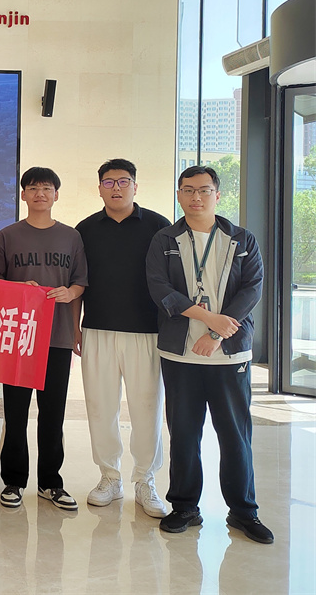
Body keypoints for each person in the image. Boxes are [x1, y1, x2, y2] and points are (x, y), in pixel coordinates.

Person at [146, 165, 273, 544]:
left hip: (229, 354)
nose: (196, 197)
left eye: (204, 190)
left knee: (235, 434)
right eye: (188, 190)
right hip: (180, 353)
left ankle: (244, 511)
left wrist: (217, 332)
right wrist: (206, 319)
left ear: (217, 195)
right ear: (179, 195)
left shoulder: (242, 239)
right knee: (184, 433)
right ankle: (185, 506)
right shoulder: (165, 239)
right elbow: (159, 287)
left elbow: (252, 289)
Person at [75, 159, 171, 517]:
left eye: (123, 181)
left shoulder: (159, 226)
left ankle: (146, 480)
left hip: (147, 332)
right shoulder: (85, 229)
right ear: (99, 187)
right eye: (109, 182)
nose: (116, 188)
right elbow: (78, 281)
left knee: (147, 407)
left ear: (135, 186)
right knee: (101, 407)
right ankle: (110, 477)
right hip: (97, 328)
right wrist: (75, 327)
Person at [0, 167, 87, 511]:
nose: (40, 194)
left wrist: (71, 301)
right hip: (18, 337)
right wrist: (17, 288)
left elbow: (79, 283)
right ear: (23, 195)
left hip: (57, 337)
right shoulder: (7, 236)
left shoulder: (71, 237)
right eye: (33, 188)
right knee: (15, 413)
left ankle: (50, 483)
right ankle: (13, 481)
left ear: (56, 195)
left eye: (47, 188)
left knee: (53, 414)